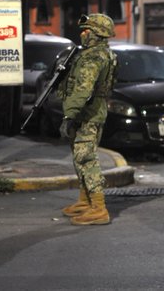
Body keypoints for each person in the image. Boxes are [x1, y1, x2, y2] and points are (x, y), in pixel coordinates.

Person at [58, 13, 117, 226]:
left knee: (86, 159)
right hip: (88, 113)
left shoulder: (94, 58)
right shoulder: (98, 54)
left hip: (88, 115)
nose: (83, 34)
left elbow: (83, 90)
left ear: (96, 34)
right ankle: (85, 201)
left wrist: (68, 115)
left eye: (86, 31)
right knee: (79, 158)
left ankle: (99, 208)